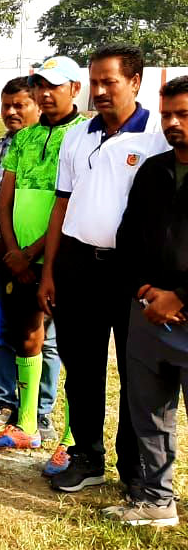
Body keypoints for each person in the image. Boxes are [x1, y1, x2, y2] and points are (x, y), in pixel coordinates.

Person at [39, 45, 167, 493]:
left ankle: (134, 468)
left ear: (135, 82)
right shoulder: (78, 135)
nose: (100, 91)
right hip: (77, 265)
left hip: (132, 273)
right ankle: (87, 456)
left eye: (109, 81)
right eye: (95, 82)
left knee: (138, 373)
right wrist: (49, 270)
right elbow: (62, 203)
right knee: (82, 366)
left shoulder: (158, 134)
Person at [0, 65, 83, 454]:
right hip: (18, 259)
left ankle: (72, 437)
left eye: (53, 86)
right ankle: (26, 423)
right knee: (27, 336)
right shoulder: (24, 139)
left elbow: (68, 203)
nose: (45, 93)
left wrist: (34, 253)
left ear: (74, 87)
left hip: (61, 257)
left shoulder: (83, 136)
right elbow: (4, 201)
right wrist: (13, 253)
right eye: (39, 85)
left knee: (74, 345)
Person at [109, 75, 188, 527]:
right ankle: (157, 499)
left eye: (184, 115)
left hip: (184, 311)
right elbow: (129, 237)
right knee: (150, 411)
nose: (173, 123)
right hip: (148, 314)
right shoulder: (153, 170)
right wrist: (144, 290)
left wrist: (179, 295)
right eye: (167, 115)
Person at [0, 77, 60, 450]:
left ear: (37, 106)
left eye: (19, 105)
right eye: (6, 105)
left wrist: (28, 256)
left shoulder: (58, 146)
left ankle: (40, 410)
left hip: (45, 261)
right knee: (1, 331)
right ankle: (5, 401)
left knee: (48, 338)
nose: (10, 112)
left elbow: (61, 206)